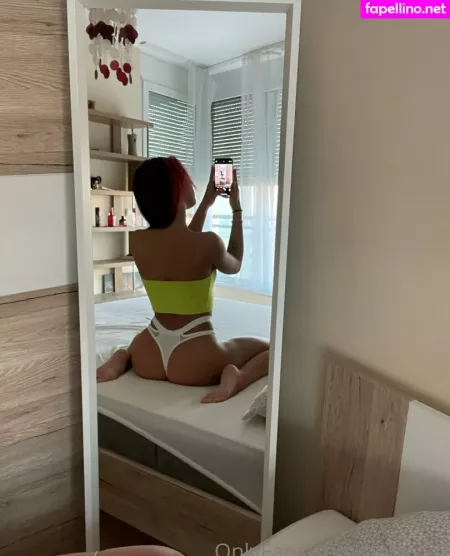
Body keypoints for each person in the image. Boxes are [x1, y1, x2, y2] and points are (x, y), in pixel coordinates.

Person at [97, 156, 269, 403]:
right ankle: (239, 378)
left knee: (129, 348)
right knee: (272, 348)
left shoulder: (138, 241)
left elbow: (182, 244)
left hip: (149, 352)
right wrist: (236, 209)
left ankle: (121, 359)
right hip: (195, 355)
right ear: (177, 189)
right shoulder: (209, 243)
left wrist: (207, 202)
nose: (193, 184)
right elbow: (235, 263)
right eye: (187, 179)